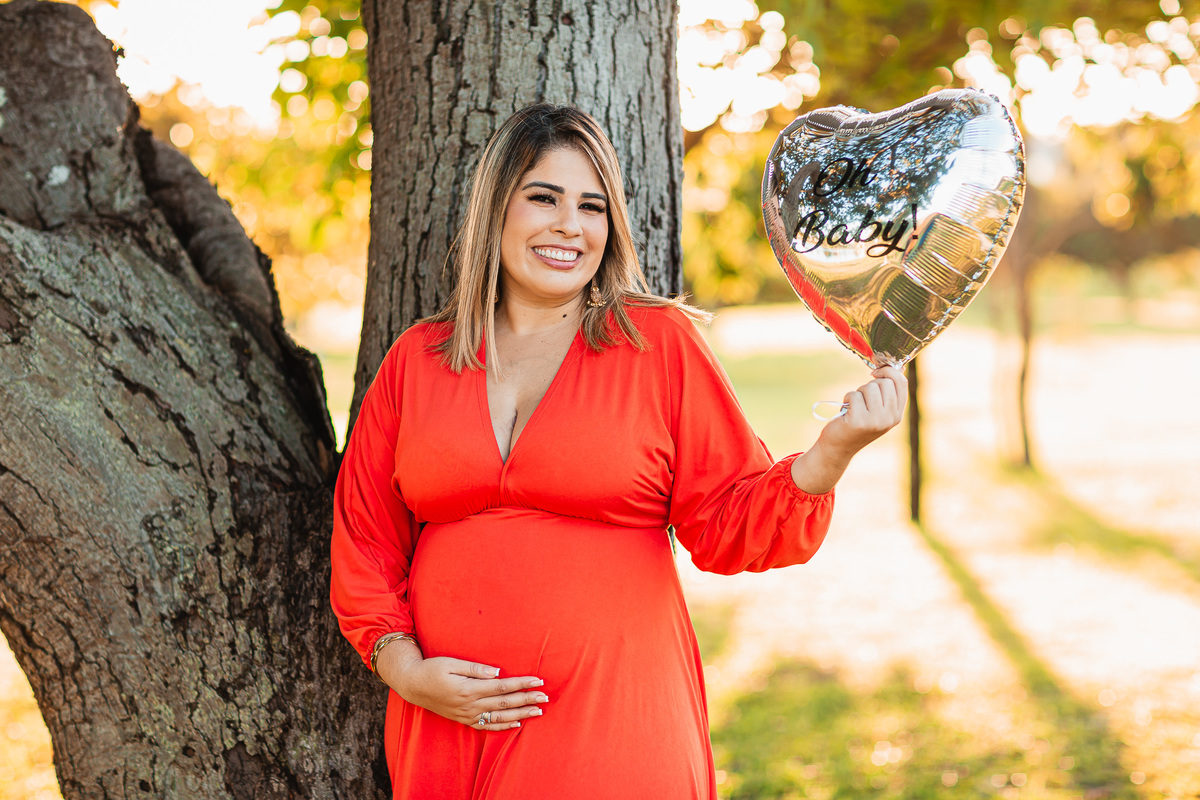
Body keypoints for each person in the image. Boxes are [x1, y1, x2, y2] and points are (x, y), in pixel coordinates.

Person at [330, 103, 906, 799]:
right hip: (446, 728)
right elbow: (364, 541)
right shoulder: (417, 359)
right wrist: (406, 671)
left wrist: (833, 450)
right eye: (543, 198)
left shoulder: (655, 343)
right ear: (495, 210)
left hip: (614, 722)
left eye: (592, 206)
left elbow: (728, 523)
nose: (569, 225)